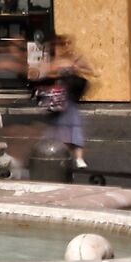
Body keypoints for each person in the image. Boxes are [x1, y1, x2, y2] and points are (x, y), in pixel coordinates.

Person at [38, 35, 92, 171]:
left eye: (68, 43)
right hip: (59, 100)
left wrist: (77, 69)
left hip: (70, 100)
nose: (66, 46)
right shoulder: (55, 60)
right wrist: (57, 75)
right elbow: (46, 74)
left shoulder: (76, 59)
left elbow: (92, 72)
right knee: (61, 132)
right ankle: (63, 158)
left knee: (74, 128)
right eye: (63, 43)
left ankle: (79, 159)